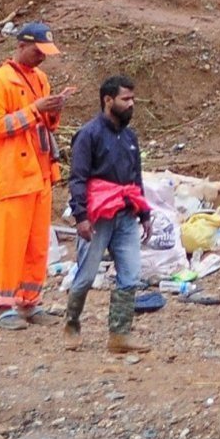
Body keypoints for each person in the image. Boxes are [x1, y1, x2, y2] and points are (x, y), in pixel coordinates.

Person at [0, 22, 74, 330]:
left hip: (40, 171)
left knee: (37, 245)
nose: (42, 58)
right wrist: (36, 109)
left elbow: (48, 125)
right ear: (21, 46)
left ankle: (29, 302)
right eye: (38, 51)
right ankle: (4, 306)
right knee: (10, 243)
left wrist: (54, 107)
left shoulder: (41, 79)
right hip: (11, 175)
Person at [63, 75, 152, 353]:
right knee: (87, 275)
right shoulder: (88, 135)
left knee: (130, 274)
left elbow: (136, 178)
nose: (131, 105)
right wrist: (81, 217)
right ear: (108, 100)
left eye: (133, 99)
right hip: (98, 215)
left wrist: (145, 214)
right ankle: (72, 322)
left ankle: (120, 335)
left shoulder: (130, 137)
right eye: (126, 99)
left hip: (126, 214)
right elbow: (78, 178)